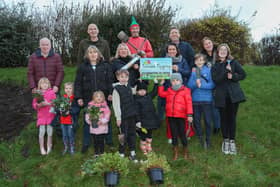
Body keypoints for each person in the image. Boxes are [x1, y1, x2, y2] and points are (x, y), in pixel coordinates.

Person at [74, 45, 114, 153]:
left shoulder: (105, 66)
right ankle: (87, 143)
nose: (93, 54)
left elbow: (110, 81)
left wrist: (111, 93)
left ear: (98, 54)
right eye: (90, 52)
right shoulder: (83, 67)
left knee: (106, 118)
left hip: (103, 98)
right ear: (87, 55)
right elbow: (78, 83)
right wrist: (79, 97)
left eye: (95, 52)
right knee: (89, 120)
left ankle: (108, 141)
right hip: (88, 98)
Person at [211, 43, 246, 155]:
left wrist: (233, 76)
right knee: (224, 119)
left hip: (233, 96)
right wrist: (226, 71)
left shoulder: (234, 62)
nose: (222, 51)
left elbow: (243, 74)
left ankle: (232, 141)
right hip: (221, 96)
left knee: (232, 118)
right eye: (221, 50)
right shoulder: (215, 66)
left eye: (225, 50)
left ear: (227, 52)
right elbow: (216, 80)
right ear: (218, 52)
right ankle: (225, 140)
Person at [158, 43, 191, 143]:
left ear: (177, 50)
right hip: (168, 89)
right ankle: (171, 135)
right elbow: (156, 72)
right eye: (169, 49)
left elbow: (188, 72)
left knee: (181, 113)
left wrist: (179, 69)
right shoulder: (163, 61)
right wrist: (160, 81)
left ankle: (185, 133)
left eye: (173, 49)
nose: (171, 51)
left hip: (180, 90)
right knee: (170, 113)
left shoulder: (182, 60)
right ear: (167, 51)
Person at [158, 73, 193, 160]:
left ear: (180, 81)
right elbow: (161, 94)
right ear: (171, 82)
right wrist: (161, 84)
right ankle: (176, 151)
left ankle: (185, 151)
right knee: (173, 134)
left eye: (177, 80)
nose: (175, 82)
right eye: (173, 81)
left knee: (182, 133)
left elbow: (189, 103)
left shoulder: (186, 90)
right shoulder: (169, 90)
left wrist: (189, 114)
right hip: (171, 116)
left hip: (181, 116)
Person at [187, 53, 215, 149]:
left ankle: (208, 138)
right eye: (197, 60)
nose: (199, 61)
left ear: (204, 61)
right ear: (195, 62)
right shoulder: (193, 72)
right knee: (197, 120)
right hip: (195, 100)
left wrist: (202, 85)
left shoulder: (209, 70)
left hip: (207, 100)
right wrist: (195, 84)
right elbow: (189, 86)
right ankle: (200, 137)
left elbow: (212, 85)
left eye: (201, 60)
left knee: (207, 120)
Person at [112, 69, 138, 162]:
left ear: (128, 78)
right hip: (123, 117)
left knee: (132, 134)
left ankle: (132, 152)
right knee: (123, 135)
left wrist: (140, 80)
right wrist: (118, 118)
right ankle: (121, 153)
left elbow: (134, 91)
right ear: (118, 78)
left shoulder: (128, 87)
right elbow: (116, 105)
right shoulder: (116, 89)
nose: (123, 79)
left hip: (131, 115)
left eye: (125, 77)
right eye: (121, 77)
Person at [201, 37, 221, 134]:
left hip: (221, 81)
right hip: (209, 82)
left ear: (212, 43)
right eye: (206, 44)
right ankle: (216, 126)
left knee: (220, 105)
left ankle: (220, 124)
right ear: (204, 47)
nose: (208, 45)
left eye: (209, 43)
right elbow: (198, 65)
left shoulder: (219, 52)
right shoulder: (203, 57)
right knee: (213, 105)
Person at [134, 80, 160, 155]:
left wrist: (156, 83)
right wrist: (138, 121)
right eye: (140, 90)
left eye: (144, 90)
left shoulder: (149, 96)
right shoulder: (136, 99)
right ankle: (143, 147)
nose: (142, 91)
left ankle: (149, 146)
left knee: (149, 134)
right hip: (143, 122)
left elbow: (155, 92)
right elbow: (136, 112)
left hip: (151, 120)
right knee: (143, 135)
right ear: (137, 91)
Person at [32, 77, 56, 155]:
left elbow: (55, 103)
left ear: (48, 84)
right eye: (42, 83)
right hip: (41, 116)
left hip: (50, 115)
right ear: (40, 85)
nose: (44, 85)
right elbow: (34, 105)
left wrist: (48, 104)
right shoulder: (37, 93)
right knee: (41, 132)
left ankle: (49, 147)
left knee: (49, 131)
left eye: (46, 83)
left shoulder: (52, 92)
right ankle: (42, 148)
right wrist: (39, 105)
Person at [85, 91, 111, 158]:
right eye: (97, 96)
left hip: (102, 127)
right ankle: (96, 153)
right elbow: (87, 115)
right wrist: (89, 121)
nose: (99, 98)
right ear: (93, 98)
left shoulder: (105, 107)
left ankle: (102, 152)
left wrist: (102, 121)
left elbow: (107, 116)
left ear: (103, 98)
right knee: (95, 141)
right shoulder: (90, 106)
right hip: (94, 127)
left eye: (100, 96)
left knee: (101, 140)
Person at [59, 82, 79, 155]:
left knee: (70, 134)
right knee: (64, 135)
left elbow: (76, 109)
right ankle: (66, 146)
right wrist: (59, 110)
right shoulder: (62, 98)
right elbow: (58, 107)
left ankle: (72, 147)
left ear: (73, 89)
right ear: (64, 89)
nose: (68, 90)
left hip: (70, 120)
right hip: (62, 120)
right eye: (66, 88)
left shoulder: (74, 98)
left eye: (70, 88)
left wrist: (69, 111)